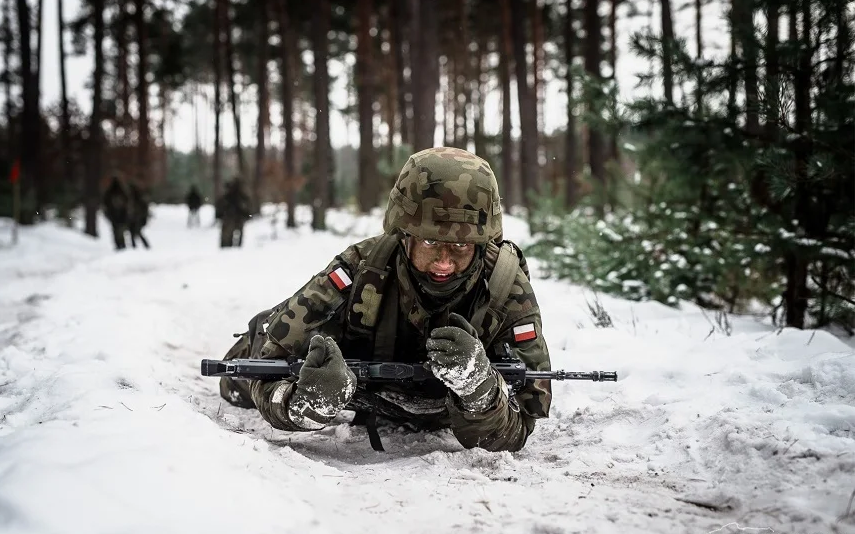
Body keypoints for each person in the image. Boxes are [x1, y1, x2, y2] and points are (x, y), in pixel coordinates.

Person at [219, 147, 551, 452]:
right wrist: (306, 402)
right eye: (431, 244)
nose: (444, 263)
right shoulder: (360, 269)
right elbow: (267, 369)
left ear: (482, 242)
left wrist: (480, 389)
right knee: (239, 374)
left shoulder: (506, 288)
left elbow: (521, 425)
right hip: (359, 393)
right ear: (404, 234)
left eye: (462, 247)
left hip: (448, 410)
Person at [219, 178, 250, 248]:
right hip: (231, 215)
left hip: (235, 215)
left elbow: (245, 205)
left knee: (231, 232)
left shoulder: (239, 196)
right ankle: (227, 245)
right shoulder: (230, 196)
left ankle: (230, 245)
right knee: (228, 233)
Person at [102, 176, 130, 250]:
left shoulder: (110, 192)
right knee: (120, 230)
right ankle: (121, 244)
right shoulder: (122, 192)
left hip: (115, 215)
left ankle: (119, 244)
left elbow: (105, 203)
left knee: (116, 230)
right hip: (119, 215)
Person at [127, 184, 151, 249]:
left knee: (137, 232)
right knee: (133, 232)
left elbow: (144, 210)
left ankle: (144, 245)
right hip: (133, 218)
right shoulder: (132, 199)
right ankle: (134, 245)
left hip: (137, 218)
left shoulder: (139, 200)